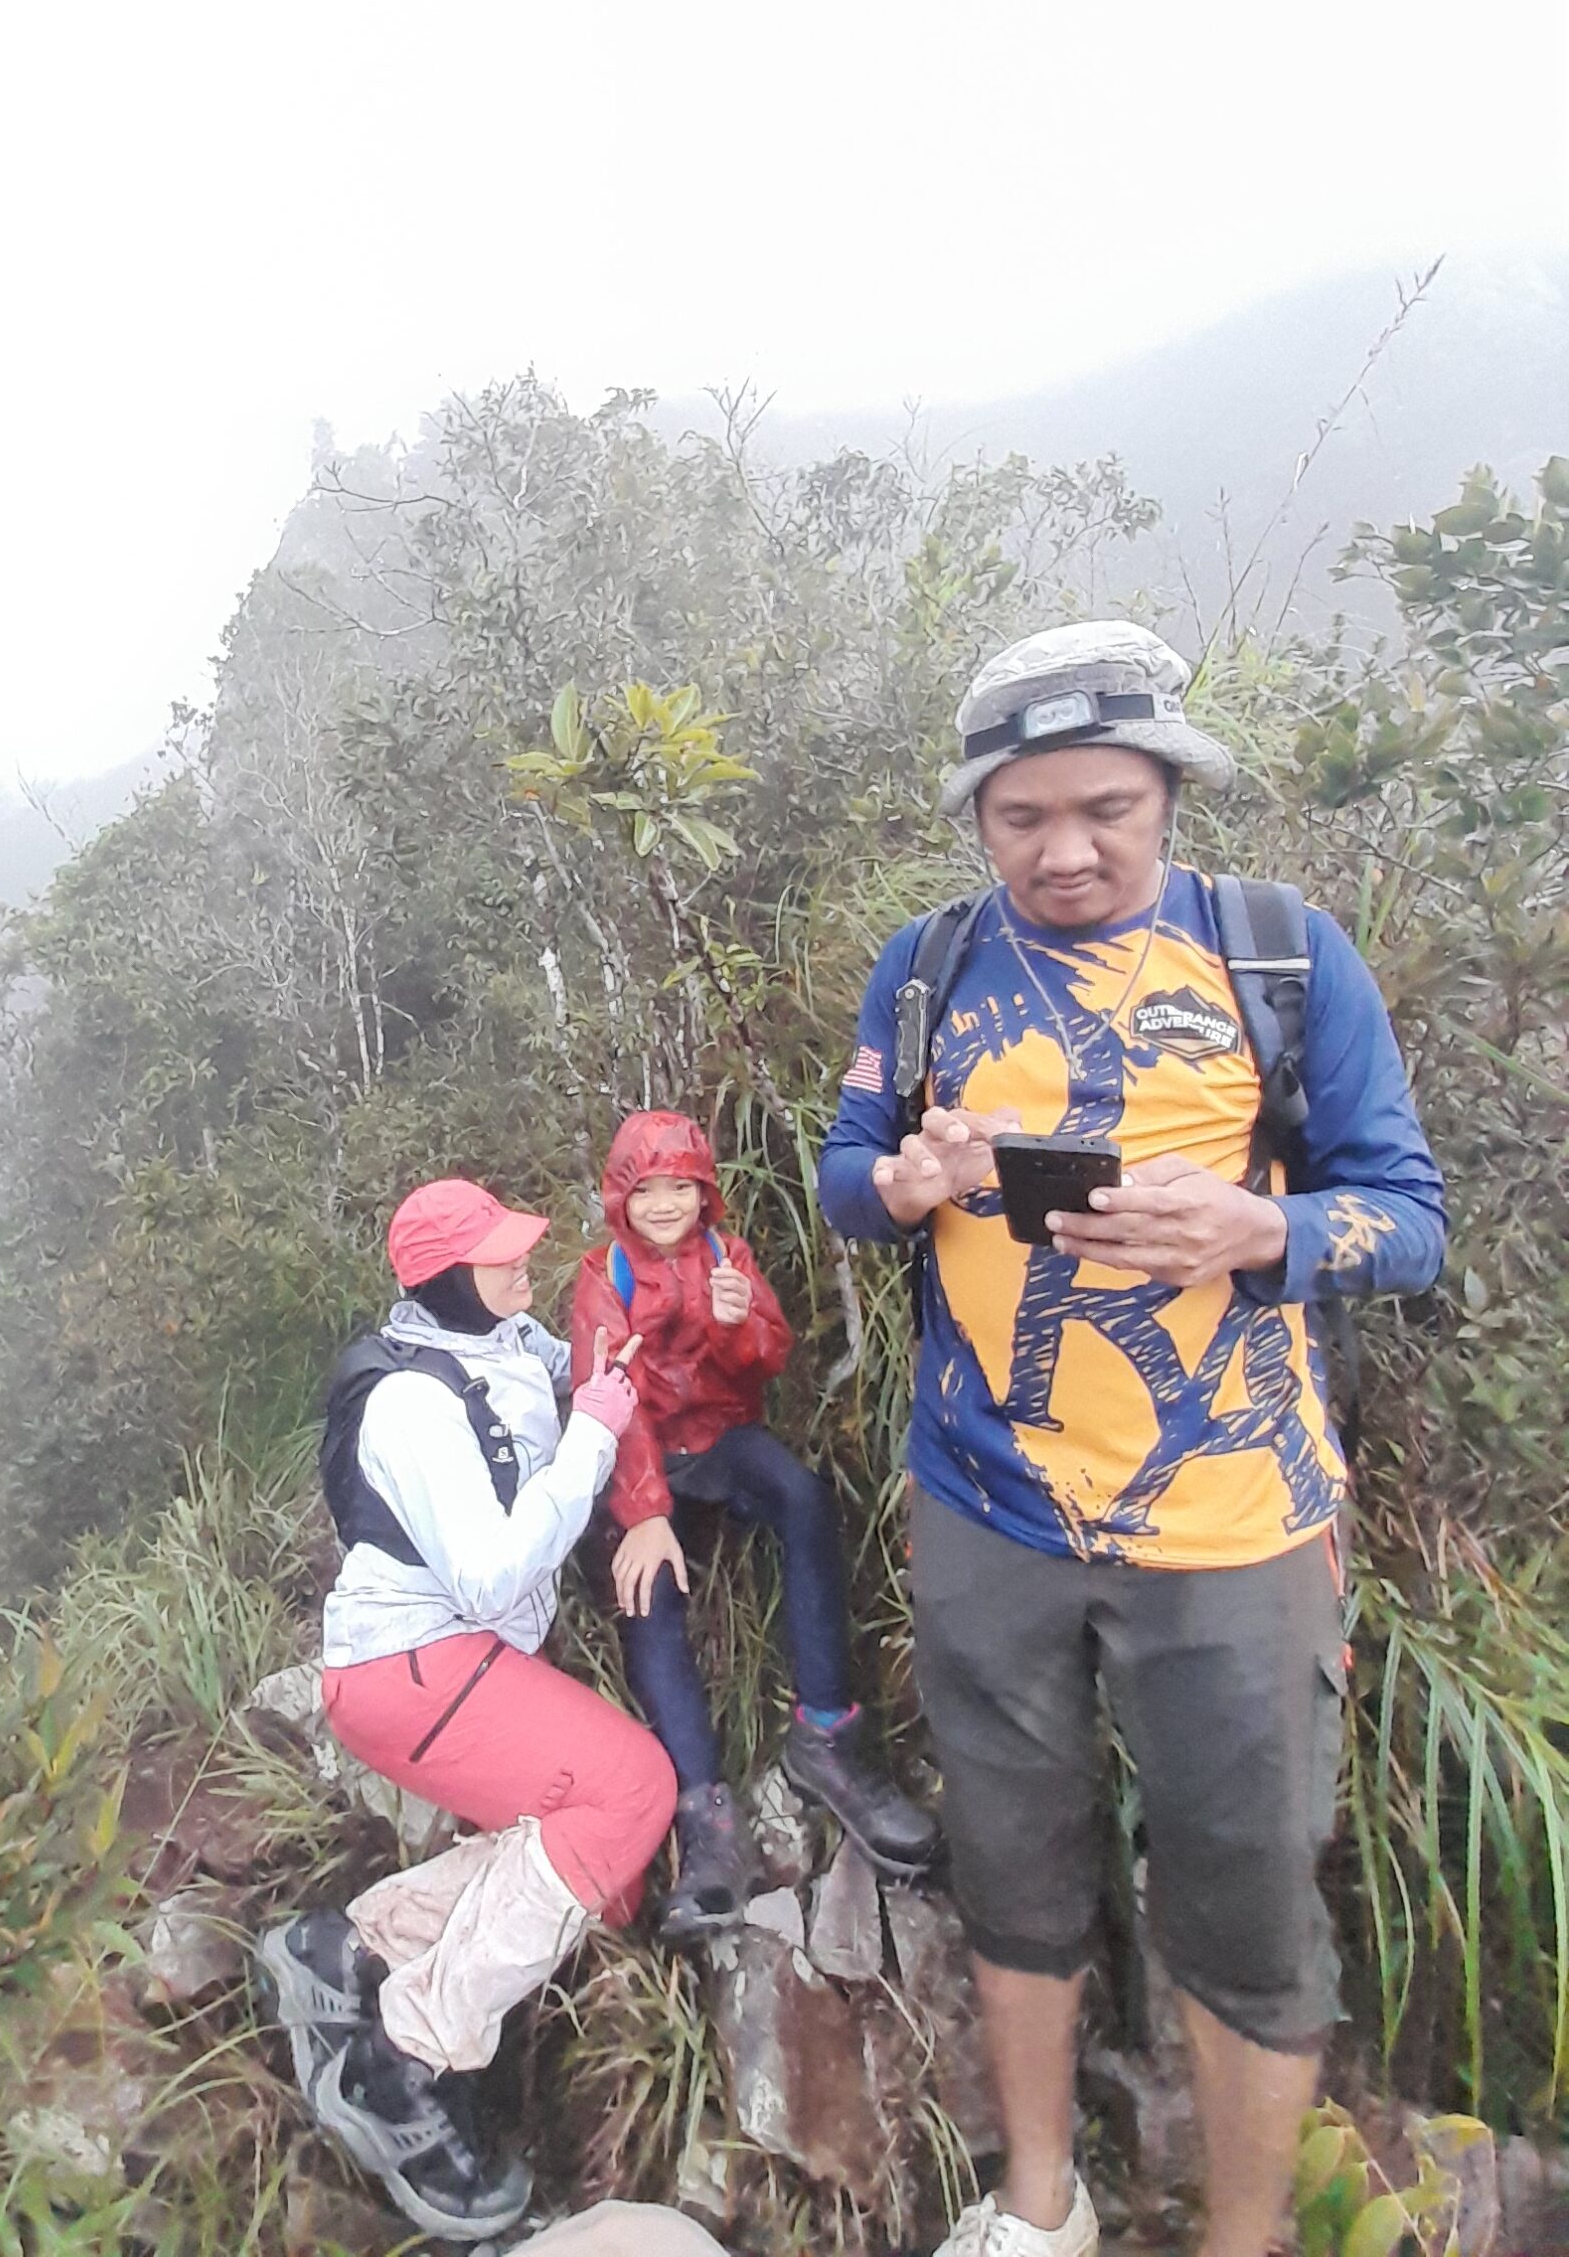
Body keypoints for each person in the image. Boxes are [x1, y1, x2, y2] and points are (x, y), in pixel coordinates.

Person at [818, 623, 1446, 2257]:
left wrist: (1263, 1229)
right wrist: (902, 1182)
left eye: (1106, 808)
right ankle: (1041, 2202)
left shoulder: (1280, 957)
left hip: (1235, 1528)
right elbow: (845, 1170)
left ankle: (1240, 2235)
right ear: (977, 818)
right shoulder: (929, 967)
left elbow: (1410, 1216)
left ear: (1169, 792)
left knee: (1246, 1902)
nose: (1066, 850)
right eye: (1022, 817)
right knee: (1012, 1865)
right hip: (988, 1509)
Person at [254, 1176, 677, 2244]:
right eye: (497, 1254)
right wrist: (593, 1439)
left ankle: (350, 1948)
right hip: (410, 1668)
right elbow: (489, 1574)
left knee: (586, 1857)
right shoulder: (411, 1404)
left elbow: (565, 1368)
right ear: (447, 1280)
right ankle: (406, 2055)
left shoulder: (499, 1340)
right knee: (633, 1793)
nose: (520, 1259)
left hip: (442, 1663)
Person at [572, 1109, 936, 1938]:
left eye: (681, 1189)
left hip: (722, 1438)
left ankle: (826, 1732)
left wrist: (736, 1324)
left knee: (803, 1500)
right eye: (646, 1191)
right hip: (646, 1450)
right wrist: (644, 1512)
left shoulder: (726, 1257)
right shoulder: (604, 1277)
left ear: (705, 1194)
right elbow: (609, 1401)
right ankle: (705, 1815)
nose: (664, 1206)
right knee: (647, 1591)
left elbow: (769, 1358)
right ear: (620, 1198)